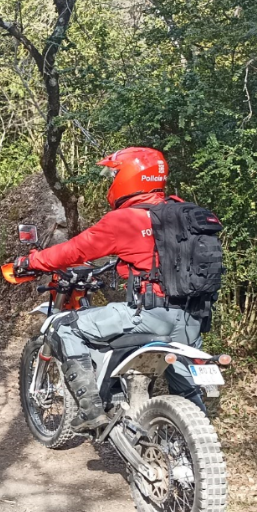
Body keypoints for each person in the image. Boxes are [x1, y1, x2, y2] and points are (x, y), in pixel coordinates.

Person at [14, 147, 215, 428]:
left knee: (63, 326)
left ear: (129, 177)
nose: (111, 182)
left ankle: (92, 413)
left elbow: (73, 251)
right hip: (193, 318)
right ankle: (198, 447)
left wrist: (32, 260)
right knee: (187, 389)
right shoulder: (185, 213)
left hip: (149, 317)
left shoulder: (125, 220)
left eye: (114, 175)